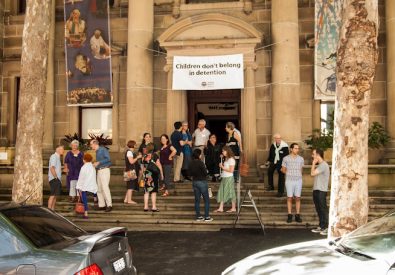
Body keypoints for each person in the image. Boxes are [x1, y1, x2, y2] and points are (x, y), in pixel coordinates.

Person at [281, 143, 305, 223]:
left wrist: (298, 175)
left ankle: (297, 215)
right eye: (295, 148)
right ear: (291, 149)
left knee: (298, 198)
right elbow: (283, 169)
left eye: (298, 148)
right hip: (289, 180)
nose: (297, 150)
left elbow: (301, 169)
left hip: (298, 180)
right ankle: (290, 215)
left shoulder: (301, 159)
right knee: (289, 198)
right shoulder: (285, 158)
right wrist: (289, 173)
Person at [188, 149, 213, 222]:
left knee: (197, 200)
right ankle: (207, 217)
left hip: (194, 182)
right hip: (202, 182)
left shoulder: (191, 163)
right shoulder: (201, 163)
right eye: (201, 154)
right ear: (199, 155)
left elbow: (189, 174)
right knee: (206, 200)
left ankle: (198, 216)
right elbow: (205, 173)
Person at [310, 148, 330, 235]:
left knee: (323, 209)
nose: (312, 156)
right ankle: (321, 226)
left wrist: (313, 164)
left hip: (321, 190)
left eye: (313, 154)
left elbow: (312, 174)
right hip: (317, 190)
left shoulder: (323, 165)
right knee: (319, 209)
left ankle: (327, 227)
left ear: (318, 155)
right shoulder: (320, 165)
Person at [90, 139, 112, 212]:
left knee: (105, 188)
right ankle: (101, 205)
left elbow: (108, 159)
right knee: (99, 189)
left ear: (95, 144)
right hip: (99, 170)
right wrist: (94, 164)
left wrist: (98, 162)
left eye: (91, 144)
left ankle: (109, 205)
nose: (90, 146)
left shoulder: (103, 149)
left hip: (105, 170)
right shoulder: (96, 151)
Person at [215, 145, 237, 213]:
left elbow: (231, 170)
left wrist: (222, 167)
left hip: (229, 178)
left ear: (227, 151)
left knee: (230, 192)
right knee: (222, 192)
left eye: (223, 151)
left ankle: (233, 208)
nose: (222, 152)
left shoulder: (231, 159)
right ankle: (221, 208)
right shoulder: (227, 159)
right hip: (224, 177)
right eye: (222, 151)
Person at [76, 153, 98, 219]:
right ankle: (95, 199)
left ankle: (86, 212)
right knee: (94, 190)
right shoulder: (92, 166)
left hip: (85, 184)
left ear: (84, 160)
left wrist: (78, 186)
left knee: (84, 195)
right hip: (93, 184)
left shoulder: (84, 167)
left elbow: (81, 178)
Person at [124, 140, 142, 204]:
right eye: (135, 144)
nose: (136, 146)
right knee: (131, 186)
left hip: (129, 170)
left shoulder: (130, 152)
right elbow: (131, 161)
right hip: (130, 171)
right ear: (133, 145)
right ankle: (129, 200)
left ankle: (126, 199)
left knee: (130, 186)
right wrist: (137, 157)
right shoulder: (129, 152)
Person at [48, 145, 64, 210]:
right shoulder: (54, 157)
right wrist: (56, 177)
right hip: (54, 179)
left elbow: (55, 169)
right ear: (58, 150)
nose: (63, 150)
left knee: (54, 196)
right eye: (62, 149)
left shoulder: (57, 157)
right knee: (52, 195)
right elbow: (52, 168)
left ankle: (52, 210)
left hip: (56, 179)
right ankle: (49, 211)